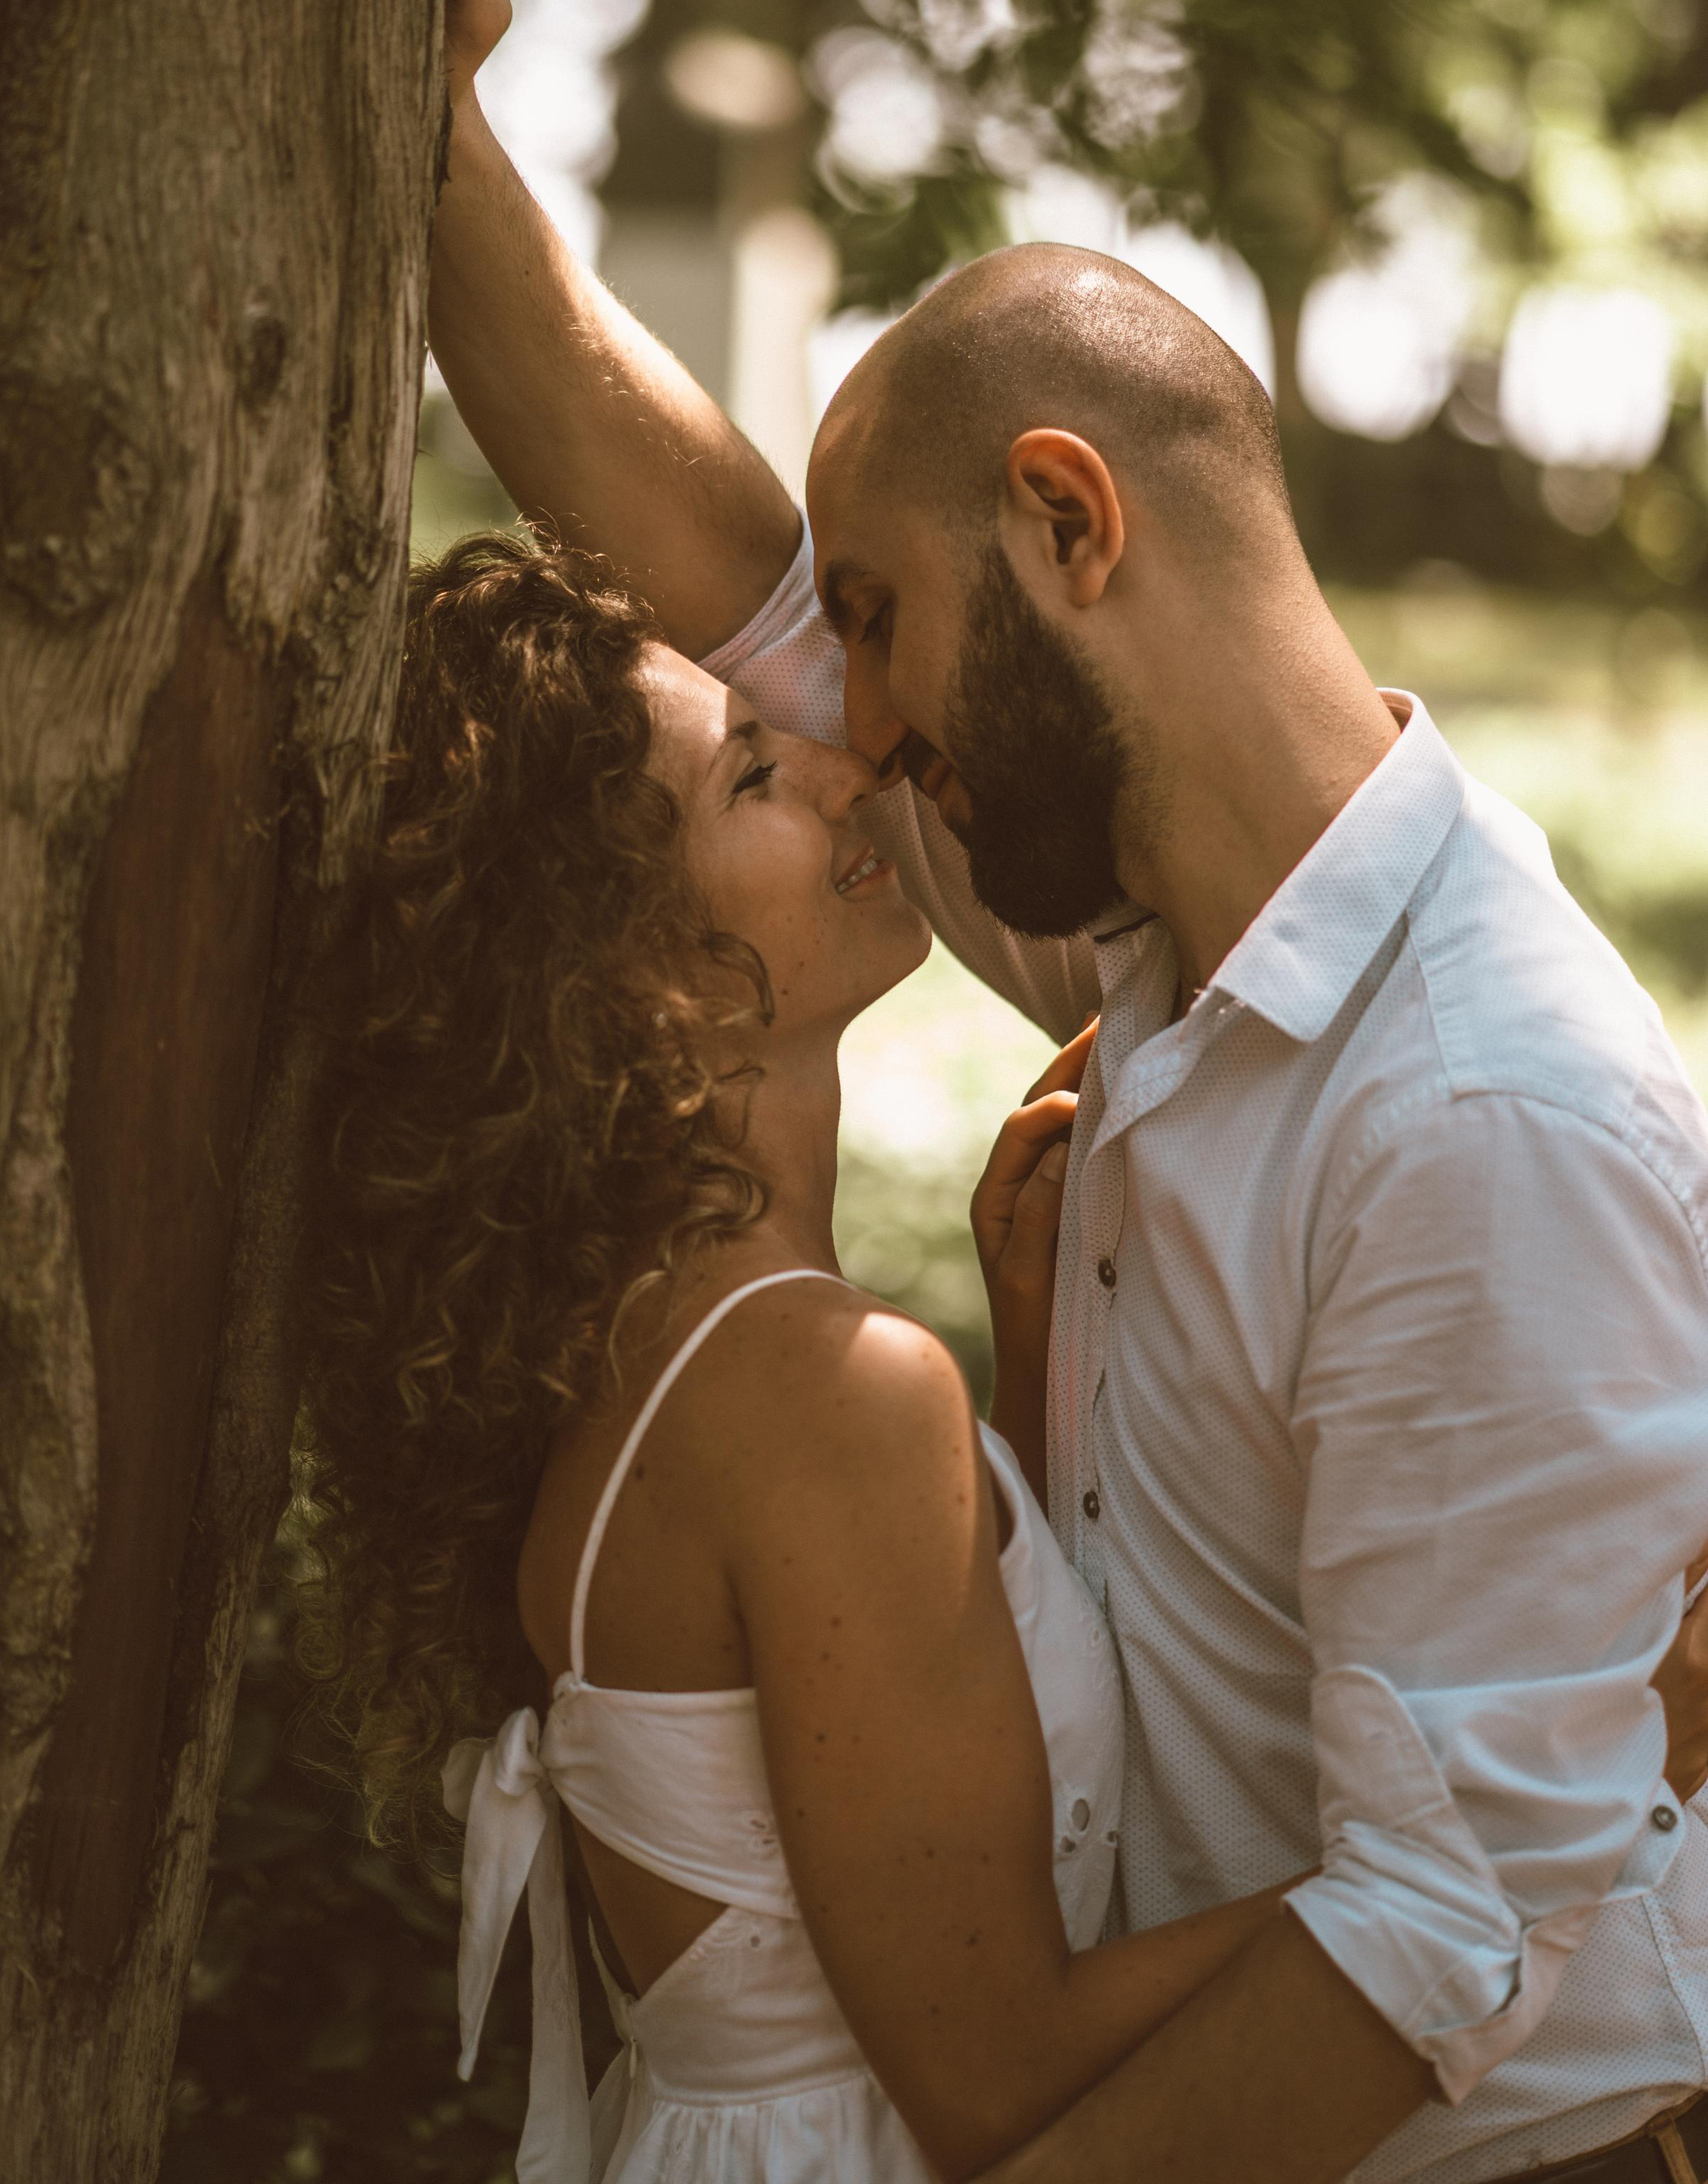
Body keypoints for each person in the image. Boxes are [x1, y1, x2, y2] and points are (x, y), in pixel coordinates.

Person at [418, 0, 1708, 2184]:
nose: (852, 711)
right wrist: (438, 119)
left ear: (1070, 524)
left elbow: (1444, 1939)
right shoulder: (1158, 935)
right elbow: (717, 570)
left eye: (889, 624)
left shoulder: (1476, 1103)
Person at [300, 532, 1315, 2183]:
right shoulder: (816, 1396)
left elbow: (851, 1765)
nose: (854, 772)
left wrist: (1023, 1367)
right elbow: (996, 2074)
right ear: (617, 976)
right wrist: (1485, 1838)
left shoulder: (664, 1358)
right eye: (754, 773)